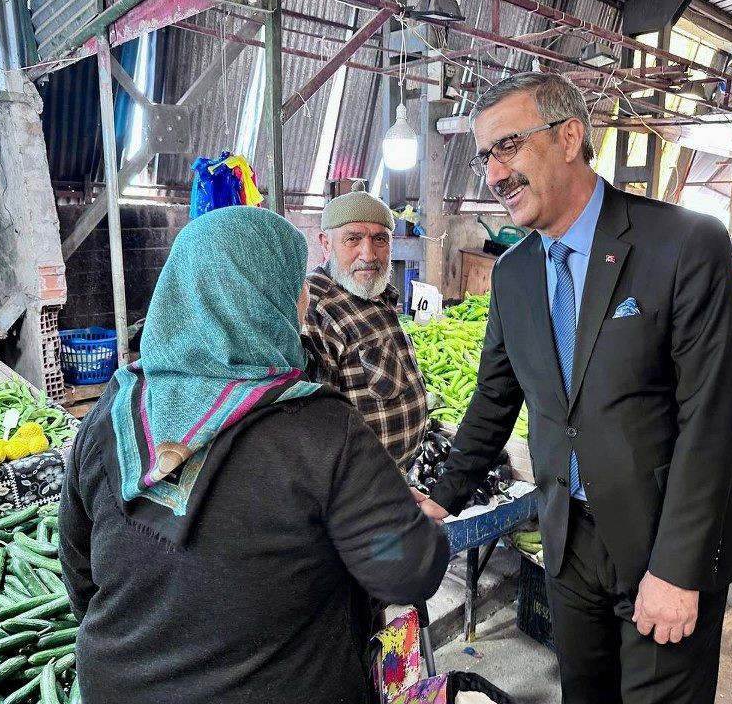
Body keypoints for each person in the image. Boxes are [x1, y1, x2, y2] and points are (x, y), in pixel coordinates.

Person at [413, 72, 732, 703]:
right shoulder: (514, 274)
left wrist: (676, 571)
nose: (495, 173)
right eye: (485, 155)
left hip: (661, 538)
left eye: (508, 146)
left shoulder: (682, 244)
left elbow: (710, 419)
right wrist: (443, 497)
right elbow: (494, 399)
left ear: (569, 137)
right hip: (569, 539)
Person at [58, 206, 449, 704]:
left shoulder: (114, 408)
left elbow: (80, 572)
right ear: (269, 299)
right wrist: (411, 528)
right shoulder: (319, 428)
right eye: (296, 286)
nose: (305, 301)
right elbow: (404, 568)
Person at [304, 183, 427, 470]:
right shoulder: (316, 309)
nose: (368, 254)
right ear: (325, 243)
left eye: (380, 240)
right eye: (353, 239)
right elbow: (318, 431)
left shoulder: (375, 292)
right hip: (361, 495)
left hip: (396, 481)